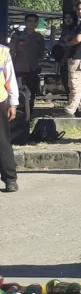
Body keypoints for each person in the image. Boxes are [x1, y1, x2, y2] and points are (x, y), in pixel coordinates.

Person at [9, 13, 45, 97]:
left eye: (35, 21)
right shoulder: (17, 36)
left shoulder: (39, 37)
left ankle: (30, 109)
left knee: (32, 93)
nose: (32, 23)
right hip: (19, 69)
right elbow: (11, 51)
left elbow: (41, 53)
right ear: (25, 22)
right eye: (30, 21)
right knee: (17, 93)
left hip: (33, 69)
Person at [0, 43, 19, 193]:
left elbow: (10, 77)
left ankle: (10, 179)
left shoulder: (3, 51)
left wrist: (13, 102)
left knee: (2, 141)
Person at [54, 12, 76, 94]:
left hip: (73, 58)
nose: (68, 20)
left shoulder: (77, 30)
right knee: (65, 80)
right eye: (66, 18)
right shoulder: (65, 30)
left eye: (70, 17)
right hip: (64, 60)